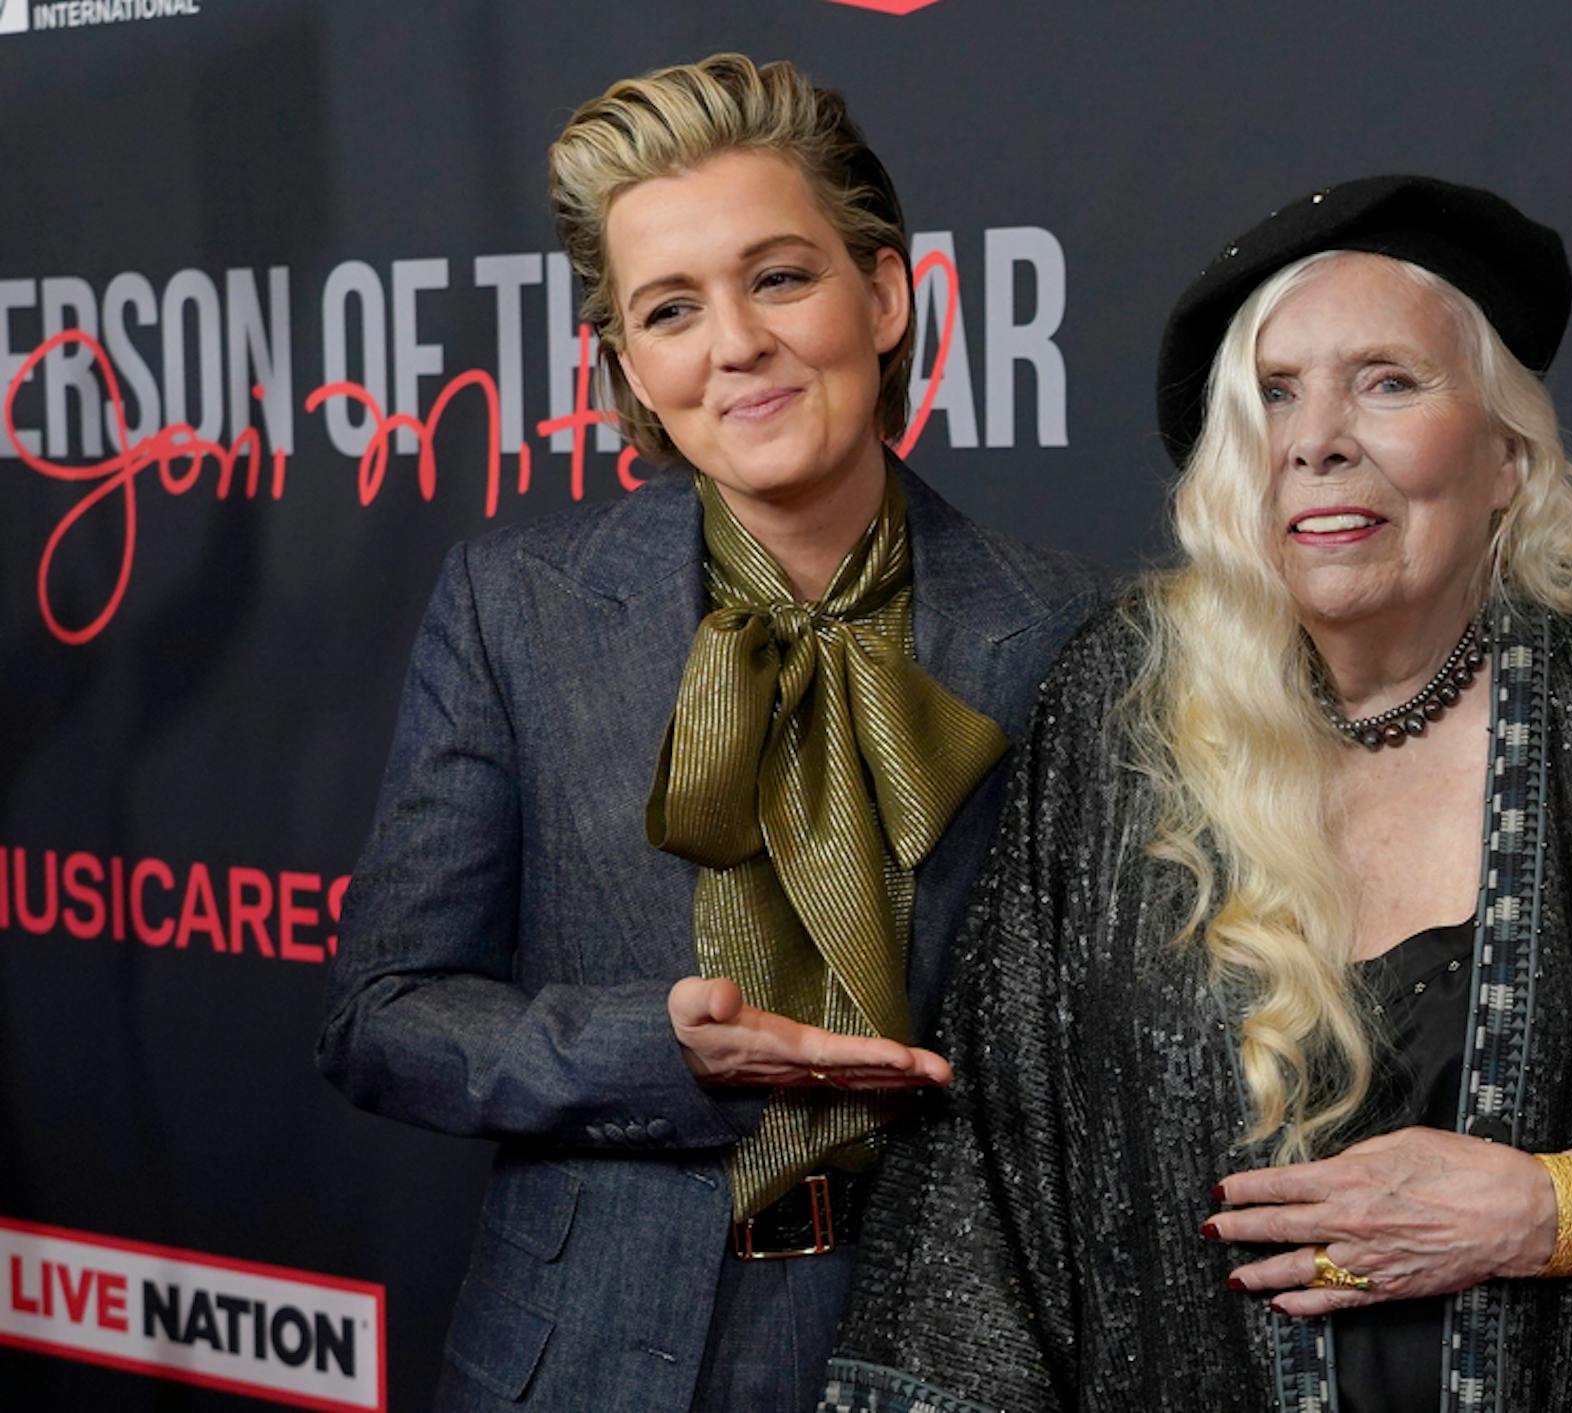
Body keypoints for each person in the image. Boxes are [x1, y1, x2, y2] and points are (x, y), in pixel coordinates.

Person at [821, 176, 1572, 1412]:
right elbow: (989, 1177)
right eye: (1275, 394)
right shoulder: (1119, 712)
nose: (1318, 437)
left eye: (1388, 382)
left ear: (1509, 454)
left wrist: (1545, 1211)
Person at [316, 53, 1103, 1412]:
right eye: (670, 308)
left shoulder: (1074, 630)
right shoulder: (517, 609)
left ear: (885, 294)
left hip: (943, 1358)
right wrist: (652, 1051)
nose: (735, 343)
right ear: (626, 360)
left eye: (780, 277)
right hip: (575, 1359)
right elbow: (386, 1016)